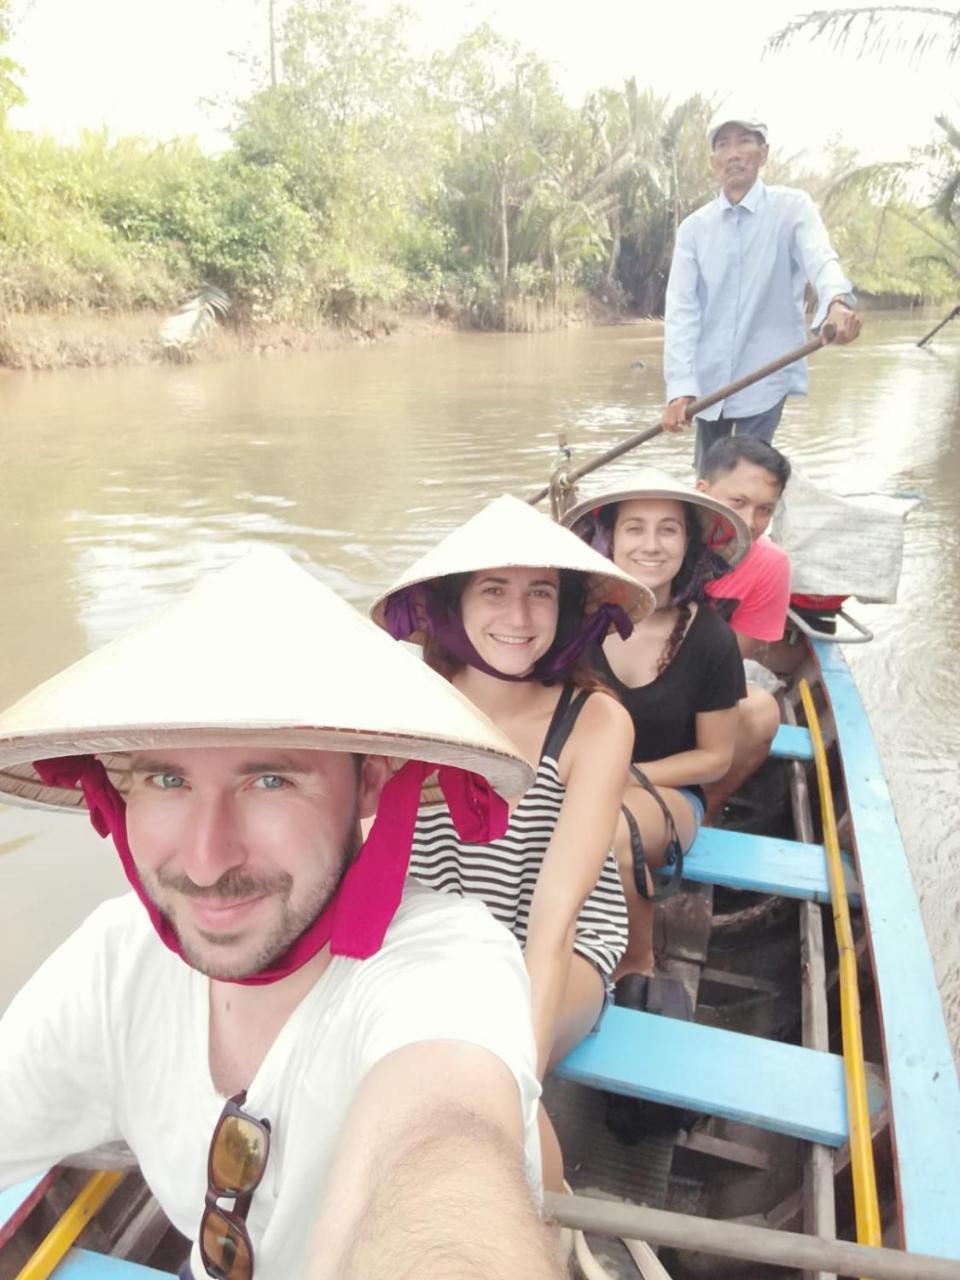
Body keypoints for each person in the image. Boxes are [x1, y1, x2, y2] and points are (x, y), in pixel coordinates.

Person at [0, 548, 568, 1280]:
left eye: (270, 780)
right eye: (166, 779)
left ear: (370, 786)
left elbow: (441, 1150)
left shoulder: (447, 964)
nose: (206, 862)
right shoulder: (116, 959)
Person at [370, 494, 655, 1188]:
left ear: (568, 609)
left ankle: (542, 1230)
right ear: (452, 605)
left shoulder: (595, 723)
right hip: (428, 949)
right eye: (494, 591)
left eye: (541, 594)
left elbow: (554, 925)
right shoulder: (401, 708)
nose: (519, 618)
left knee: (477, 1064)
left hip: (557, 949)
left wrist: (516, 1086)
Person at [561, 470, 750, 997]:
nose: (650, 544)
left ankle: (634, 959)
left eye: (667, 530)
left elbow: (714, 758)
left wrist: (620, 776)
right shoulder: (573, 624)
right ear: (610, 540)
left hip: (664, 795)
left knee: (613, 827)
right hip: (574, 780)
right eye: (634, 529)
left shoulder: (710, 637)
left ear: (687, 544)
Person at [660, 108, 861, 473]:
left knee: (750, 475)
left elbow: (821, 259)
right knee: (708, 479)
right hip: (708, 385)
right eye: (724, 145)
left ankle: (747, 529)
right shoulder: (694, 230)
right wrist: (680, 387)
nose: (734, 153)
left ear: (764, 153)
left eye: (745, 142)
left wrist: (836, 301)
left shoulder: (791, 208)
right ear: (713, 161)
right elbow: (681, 311)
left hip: (765, 375)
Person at [697, 436, 793, 821]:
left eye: (764, 510)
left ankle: (700, 809)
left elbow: (726, 661)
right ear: (702, 492)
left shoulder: (769, 564)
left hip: (695, 683)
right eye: (737, 503)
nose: (748, 523)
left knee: (759, 712)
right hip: (622, 678)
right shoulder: (662, 538)